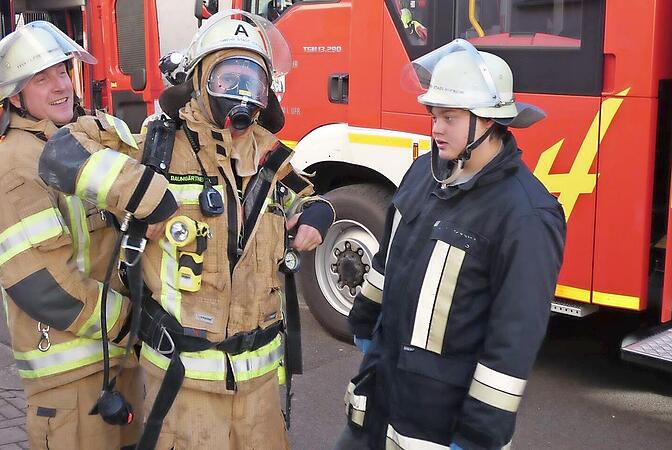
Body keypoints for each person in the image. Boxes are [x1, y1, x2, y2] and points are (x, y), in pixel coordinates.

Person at [38, 10, 335, 450]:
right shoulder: (157, 148)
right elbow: (63, 154)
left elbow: (306, 198)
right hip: (184, 391)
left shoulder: (270, 157)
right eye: (226, 78)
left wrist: (315, 215)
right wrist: (139, 190)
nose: (240, 95)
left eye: (250, 82)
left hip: (259, 398)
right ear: (198, 80)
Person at [336, 39, 566, 450]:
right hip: (378, 397)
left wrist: (478, 438)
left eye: (451, 117)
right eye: (433, 115)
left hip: (437, 422)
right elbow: (386, 263)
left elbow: (511, 344)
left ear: (490, 122)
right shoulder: (421, 176)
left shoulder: (526, 216)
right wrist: (364, 322)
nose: (436, 128)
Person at [0, 21, 177, 449]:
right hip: (71, 383)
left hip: (118, 366)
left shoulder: (85, 141)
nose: (60, 85)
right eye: (42, 78)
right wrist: (132, 324)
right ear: (15, 96)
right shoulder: (13, 170)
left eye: (63, 72)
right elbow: (45, 288)